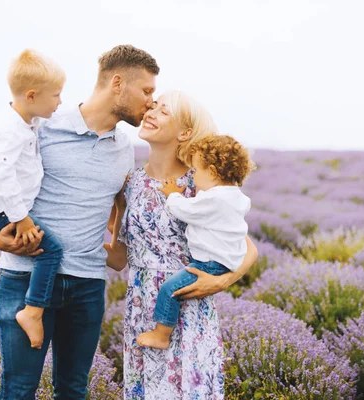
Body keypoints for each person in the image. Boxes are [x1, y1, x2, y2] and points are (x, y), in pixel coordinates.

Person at [0, 44, 159, 399]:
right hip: (27, 277)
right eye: (147, 91)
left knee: (73, 390)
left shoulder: (124, 148)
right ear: (117, 82)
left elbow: (116, 214)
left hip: (87, 286)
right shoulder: (43, 126)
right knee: (18, 389)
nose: (151, 102)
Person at [105, 91, 259, 399]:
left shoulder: (200, 182)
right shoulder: (129, 184)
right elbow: (120, 258)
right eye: (154, 106)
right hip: (142, 308)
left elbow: (248, 248)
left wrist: (221, 280)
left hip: (188, 303)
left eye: (164, 111)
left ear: (185, 132)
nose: (151, 112)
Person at [0, 49, 65, 349]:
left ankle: (0, 269)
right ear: (32, 96)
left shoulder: (23, 121)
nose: (60, 102)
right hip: (1, 209)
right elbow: (2, 178)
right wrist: (21, 219)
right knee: (51, 250)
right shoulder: (11, 131)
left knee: (34, 236)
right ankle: (33, 311)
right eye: (56, 95)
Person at [136, 134, 255, 349]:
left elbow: (185, 210)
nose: (193, 175)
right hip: (225, 263)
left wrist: (173, 195)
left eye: (197, 170)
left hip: (207, 264)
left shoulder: (215, 199)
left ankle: (161, 335)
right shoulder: (237, 197)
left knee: (170, 291)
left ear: (212, 172)